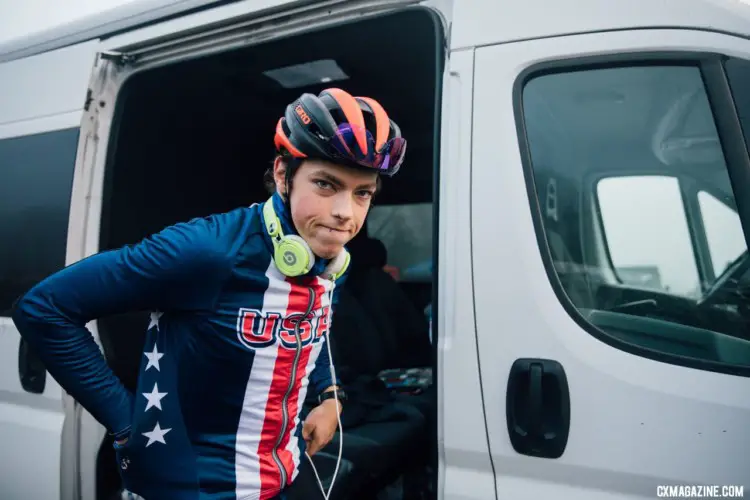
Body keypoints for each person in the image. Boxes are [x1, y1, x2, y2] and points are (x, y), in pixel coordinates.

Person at [11, 87, 407, 500]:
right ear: (282, 175)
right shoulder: (207, 250)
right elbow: (44, 309)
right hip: (195, 489)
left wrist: (330, 396)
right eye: (326, 184)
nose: (345, 213)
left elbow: (312, 327)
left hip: (283, 474)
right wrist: (128, 423)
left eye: (362, 193)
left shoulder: (326, 259)